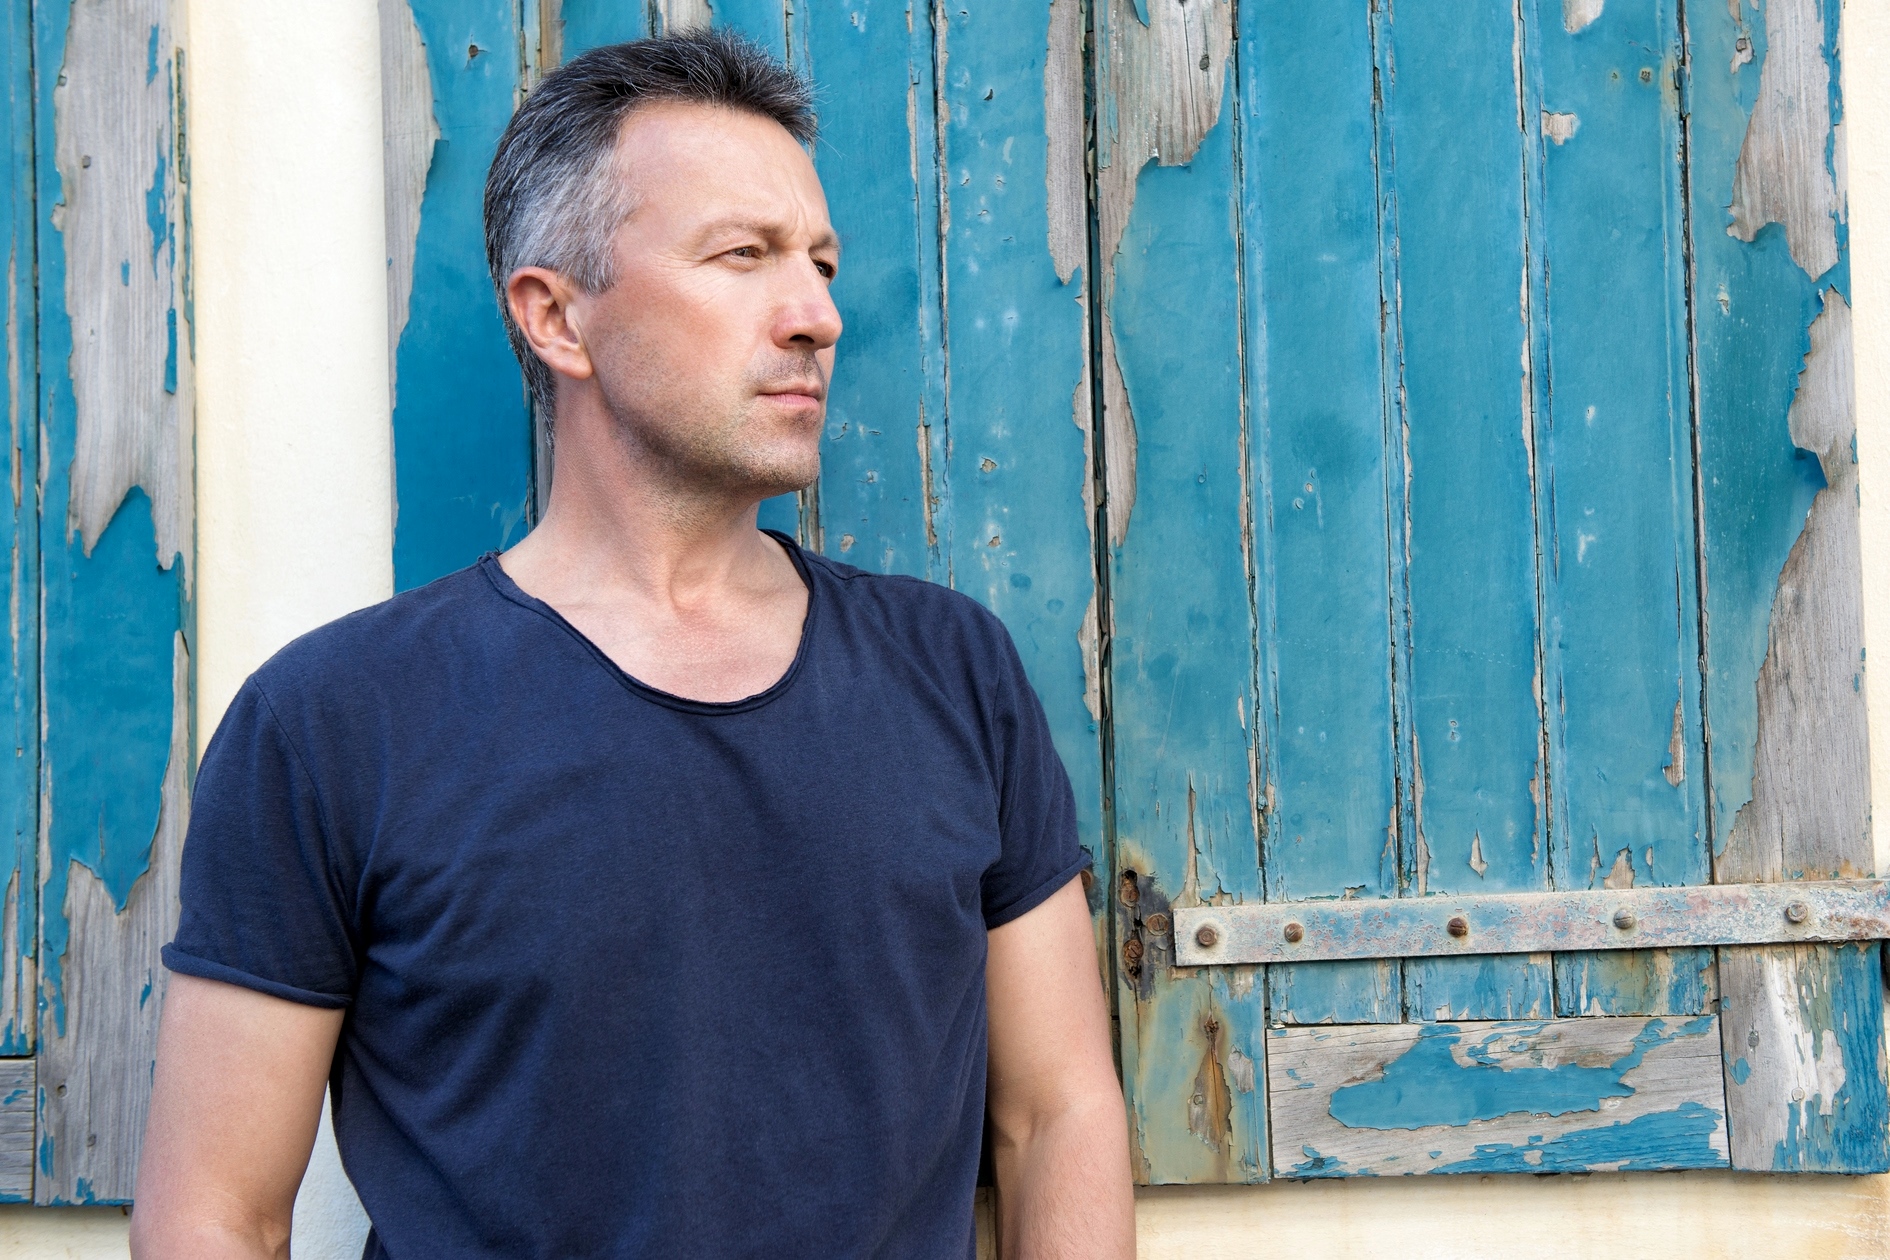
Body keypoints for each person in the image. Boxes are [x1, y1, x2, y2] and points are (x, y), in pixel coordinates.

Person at [130, 29, 1133, 1260]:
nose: (817, 314)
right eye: (743, 256)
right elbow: (212, 1215)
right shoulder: (334, 724)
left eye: (820, 262)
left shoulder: (954, 673)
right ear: (557, 316)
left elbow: (1056, 1113)